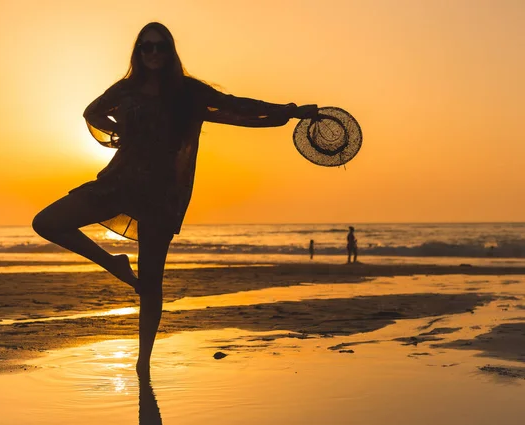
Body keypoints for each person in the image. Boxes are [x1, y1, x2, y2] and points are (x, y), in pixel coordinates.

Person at [31, 22, 317, 377]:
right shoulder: (126, 89)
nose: (153, 53)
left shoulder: (189, 93)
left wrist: (289, 110)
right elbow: (92, 112)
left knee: (151, 283)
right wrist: (122, 132)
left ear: (170, 51)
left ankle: (143, 364)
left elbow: (236, 106)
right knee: (47, 222)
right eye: (146, 47)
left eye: (160, 47)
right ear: (138, 52)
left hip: (161, 195)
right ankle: (114, 264)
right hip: (120, 182)